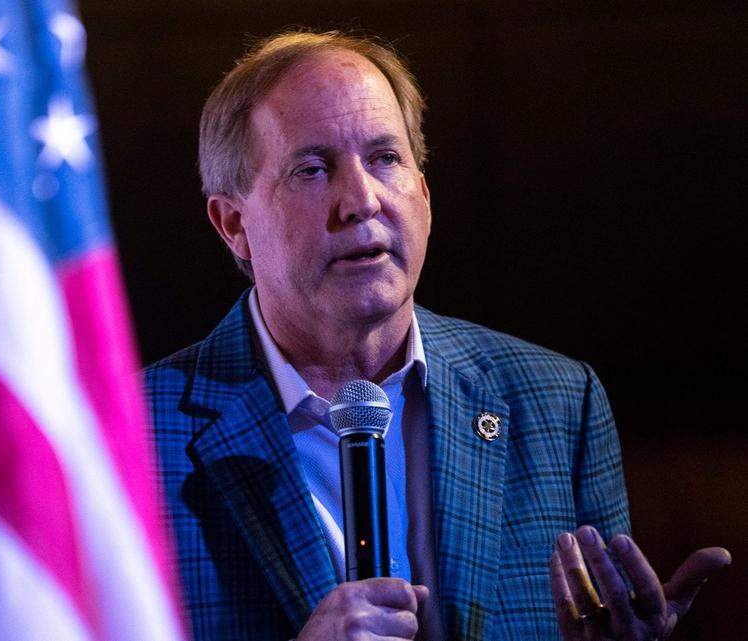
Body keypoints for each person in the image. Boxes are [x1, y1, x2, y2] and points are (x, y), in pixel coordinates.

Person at [144, 30, 730, 641]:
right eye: (312, 169)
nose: (361, 201)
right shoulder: (131, 435)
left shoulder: (557, 403)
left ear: (424, 194)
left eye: (385, 159)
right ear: (234, 224)